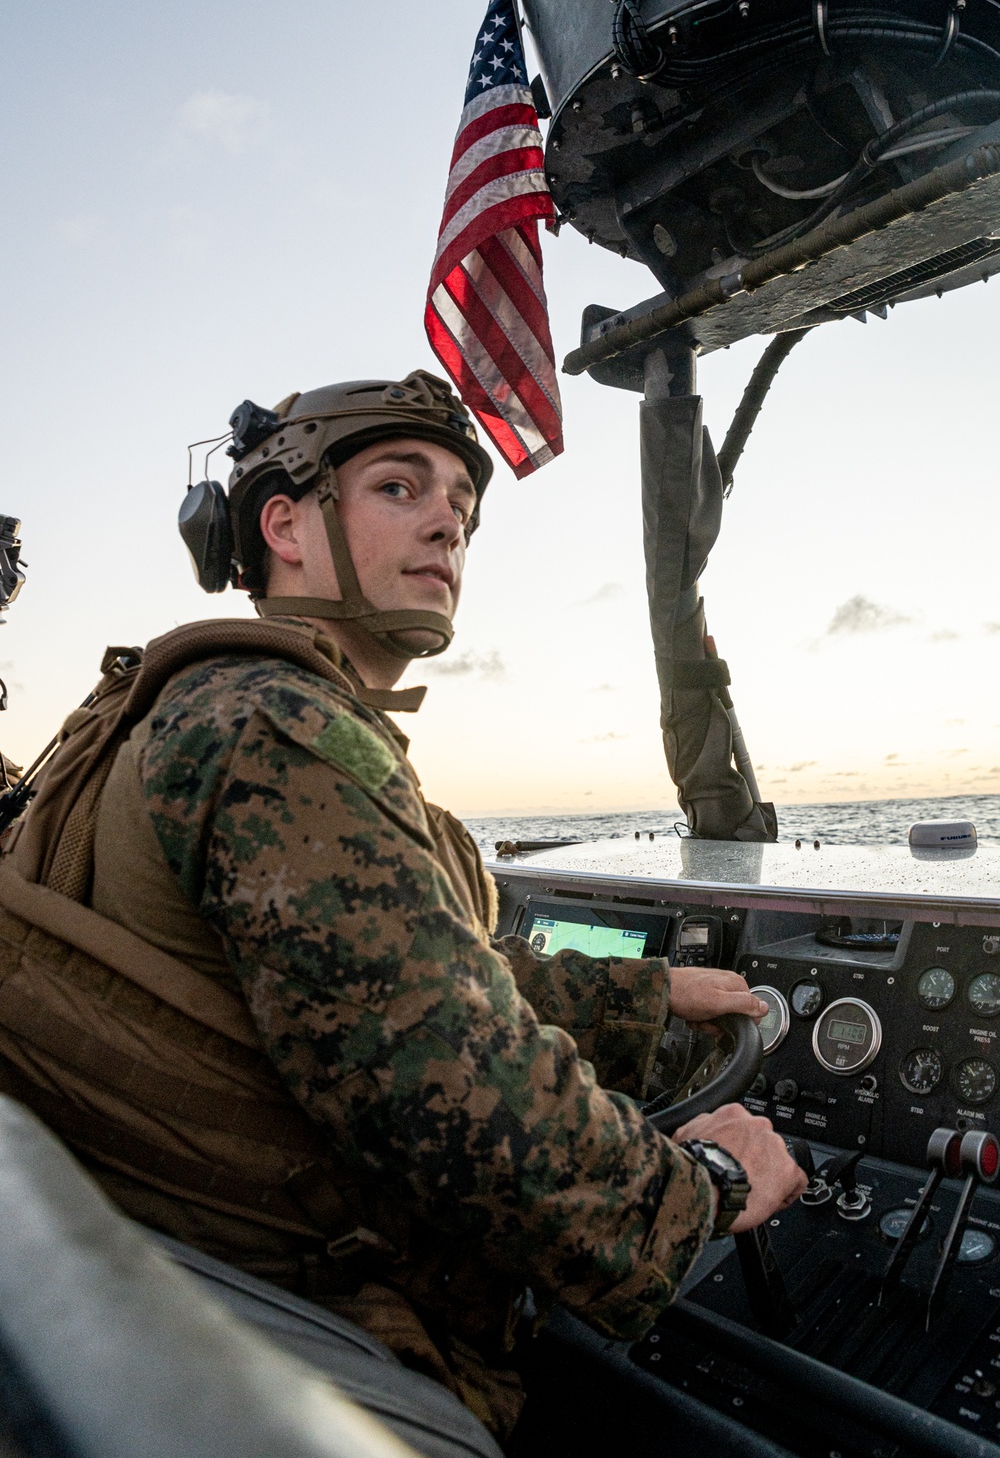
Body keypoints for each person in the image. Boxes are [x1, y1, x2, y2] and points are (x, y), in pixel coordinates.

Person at [0, 370, 805, 1439]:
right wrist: (695, 1185)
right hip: (312, 1304)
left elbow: (382, 967)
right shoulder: (281, 732)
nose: (446, 525)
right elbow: (453, 1090)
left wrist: (635, 1000)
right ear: (284, 524)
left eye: (461, 511)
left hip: (154, 1255)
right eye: (398, 487)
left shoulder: (180, 708)